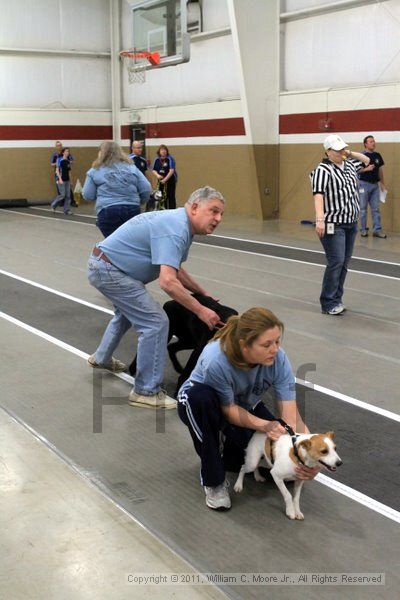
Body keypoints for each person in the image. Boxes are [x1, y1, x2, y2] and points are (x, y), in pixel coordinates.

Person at [87, 186, 226, 410]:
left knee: (126, 314)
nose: (218, 219)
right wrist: (201, 309)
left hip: (107, 265)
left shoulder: (179, 223)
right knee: (156, 322)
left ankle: (101, 358)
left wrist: (203, 293)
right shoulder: (176, 228)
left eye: (220, 214)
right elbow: (168, 281)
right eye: (214, 211)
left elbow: (175, 268)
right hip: (109, 270)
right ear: (194, 207)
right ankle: (145, 391)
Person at [177, 307, 318, 511]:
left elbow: (290, 416)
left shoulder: (278, 359)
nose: (275, 349)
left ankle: (231, 451)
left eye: (278, 341)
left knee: (250, 460)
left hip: (243, 406)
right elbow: (228, 410)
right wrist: (264, 425)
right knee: (204, 408)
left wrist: (309, 456)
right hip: (202, 404)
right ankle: (213, 481)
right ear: (244, 345)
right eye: (267, 344)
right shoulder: (216, 359)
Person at [311, 134, 370, 315]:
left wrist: (349, 152)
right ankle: (328, 302)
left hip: (351, 223)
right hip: (333, 224)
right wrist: (320, 220)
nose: (341, 153)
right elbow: (318, 195)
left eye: (342, 149)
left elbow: (367, 160)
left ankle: (337, 298)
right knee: (335, 261)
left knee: (344, 263)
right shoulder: (323, 170)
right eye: (337, 150)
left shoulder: (349, 165)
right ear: (328, 152)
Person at [82, 141, 151, 238]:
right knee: (131, 241)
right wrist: (140, 202)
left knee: (113, 242)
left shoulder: (95, 170)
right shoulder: (131, 167)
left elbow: (87, 195)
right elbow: (146, 188)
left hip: (108, 210)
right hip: (132, 208)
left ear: (101, 153)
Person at [358, 135, 387, 238]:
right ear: (365, 144)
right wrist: (367, 169)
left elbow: (380, 170)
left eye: (374, 141)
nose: (373, 143)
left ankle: (377, 230)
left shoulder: (377, 155)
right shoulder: (361, 156)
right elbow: (356, 170)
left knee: (375, 209)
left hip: (375, 185)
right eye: (370, 141)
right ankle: (363, 230)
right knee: (363, 209)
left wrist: (382, 183)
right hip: (363, 185)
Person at [50, 141, 76, 206]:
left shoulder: (66, 154)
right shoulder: (55, 155)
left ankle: (69, 205)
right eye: (58, 145)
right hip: (59, 175)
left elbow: (72, 161)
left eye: (60, 145)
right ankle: (58, 203)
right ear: (56, 147)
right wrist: (59, 163)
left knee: (68, 191)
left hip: (66, 174)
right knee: (62, 193)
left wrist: (66, 162)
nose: (60, 146)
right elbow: (52, 164)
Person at [152, 144, 177, 209]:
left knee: (170, 196)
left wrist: (165, 180)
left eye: (165, 150)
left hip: (170, 180)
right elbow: (153, 170)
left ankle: (172, 210)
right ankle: (163, 209)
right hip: (160, 181)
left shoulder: (170, 159)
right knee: (162, 197)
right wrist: (157, 175)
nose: (163, 151)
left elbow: (171, 171)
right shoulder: (157, 160)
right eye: (162, 150)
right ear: (159, 151)